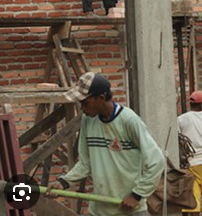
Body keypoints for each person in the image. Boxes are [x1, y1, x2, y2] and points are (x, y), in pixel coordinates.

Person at [47, 72, 164, 216]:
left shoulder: (129, 121)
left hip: (130, 210)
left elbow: (156, 161)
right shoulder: (87, 120)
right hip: (99, 211)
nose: (82, 108)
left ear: (101, 98)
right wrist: (64, 182)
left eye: (85, 102)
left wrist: (137, 195)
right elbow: (85, 162)